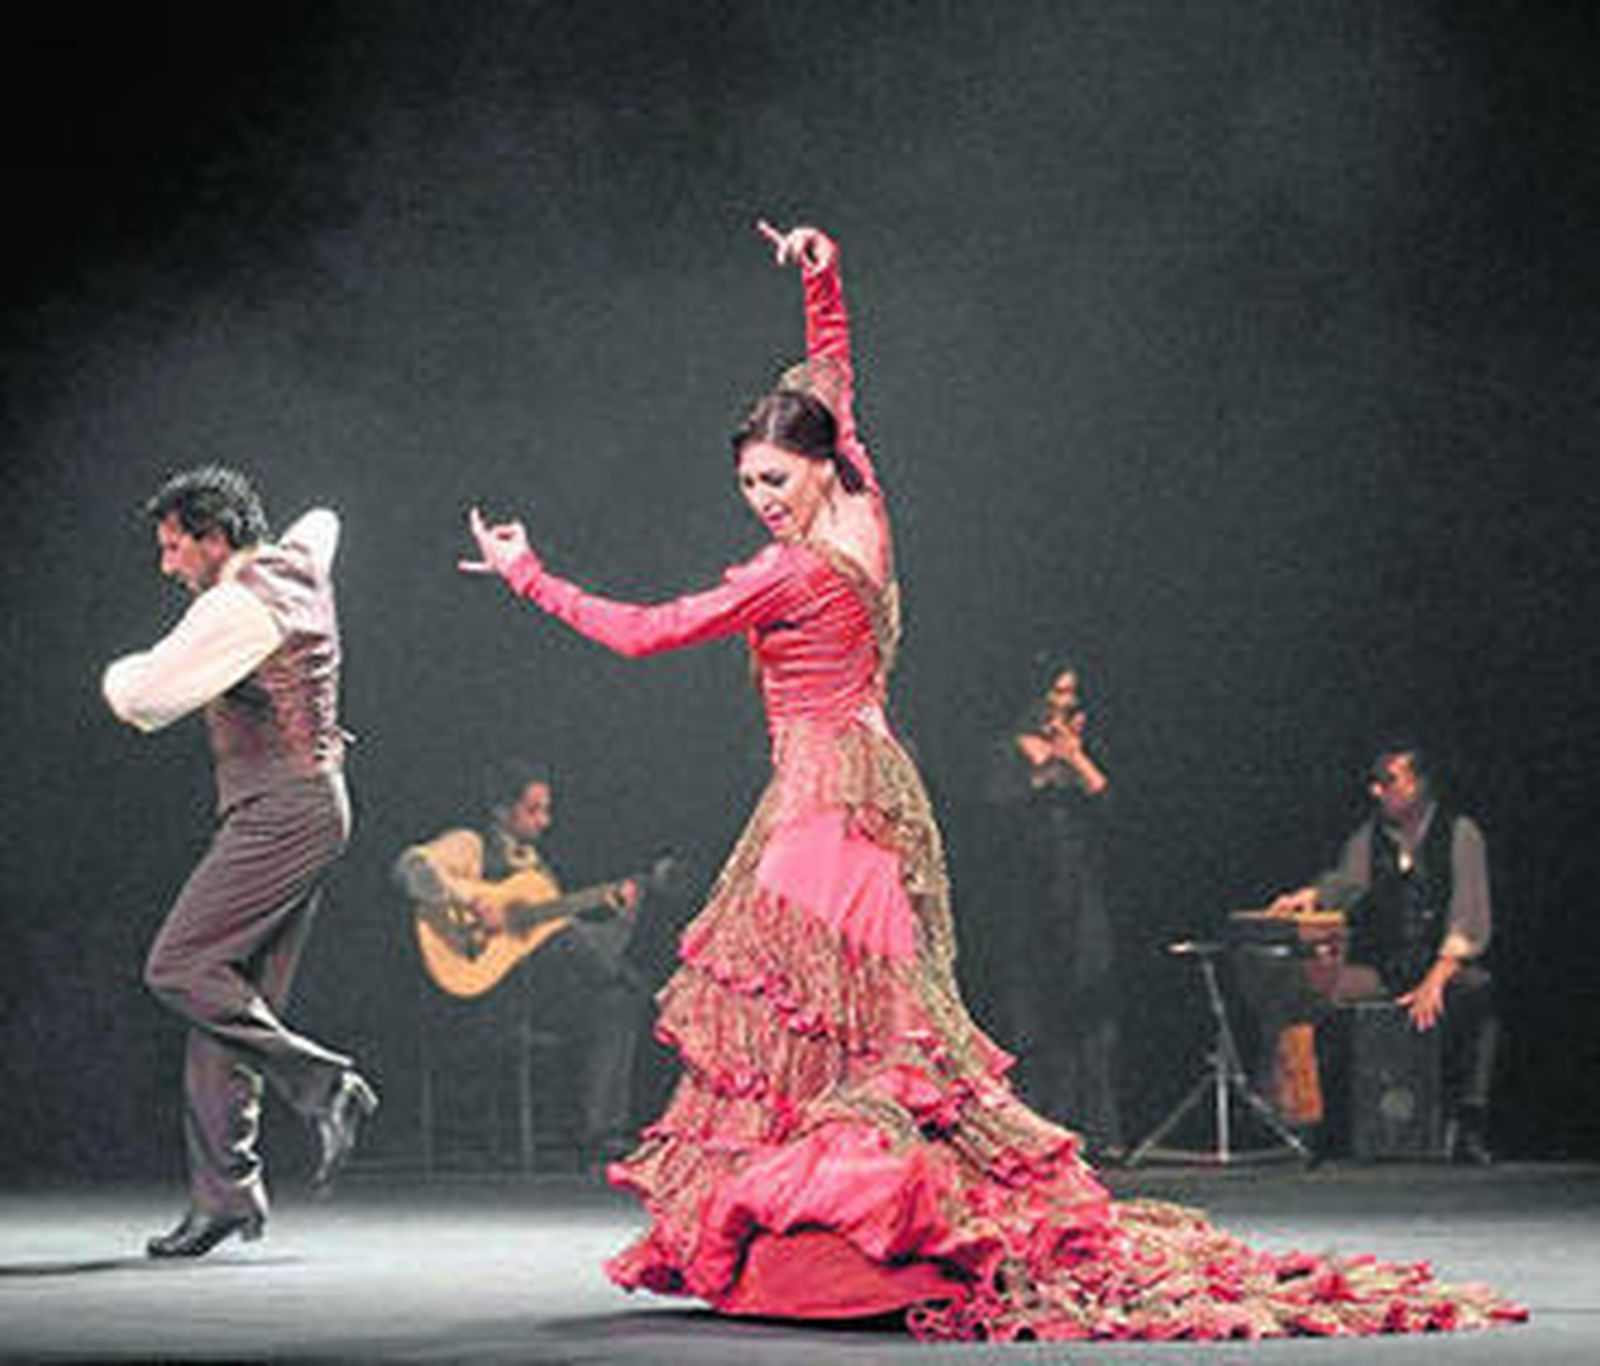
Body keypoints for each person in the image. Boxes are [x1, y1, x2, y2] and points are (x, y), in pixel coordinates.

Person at [459, 223, 1520, 1339]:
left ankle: (850, 1244)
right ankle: (822, 1234)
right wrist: (822, 273)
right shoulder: (864, 507)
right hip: (876, 787)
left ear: (816, 466)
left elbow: (644, 632)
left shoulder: (793, 575)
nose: (759, 499)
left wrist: (530, 578)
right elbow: (833, 376)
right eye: (746, 483)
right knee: (853, 1027)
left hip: (825, 796)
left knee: (817, 1025)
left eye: (773, 478)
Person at [102, 465, 376, 1259]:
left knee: (179, 966)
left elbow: (143, 700)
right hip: (309, 804)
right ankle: (224, 1194)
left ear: (215, 538)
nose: (166, 565)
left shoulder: (236, 603)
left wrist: (115, 673)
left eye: (173, 547)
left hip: (282, 809)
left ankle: (327, 1085)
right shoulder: (298, 560)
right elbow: (323, 514)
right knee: (227, 1002)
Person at [393, 761, 648, 1170]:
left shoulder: (536, 872)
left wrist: (621, 913)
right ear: (501, 810)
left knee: (616, 1002)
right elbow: (410, 868)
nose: (545, 820)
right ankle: (625, 972)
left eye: (546, 809)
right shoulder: (470, 845)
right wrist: (468, 900)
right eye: (534, 809)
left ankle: (602, 1136)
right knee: (596, 960)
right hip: (481, 998)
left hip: (536, 997)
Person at [1267, 746, 1499, 1163]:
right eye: (1375, 782)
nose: (1377, 791)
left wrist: (1434, 981)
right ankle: (1310, 1127)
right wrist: (1309, 896)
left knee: (1479, 994)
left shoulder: (1460, 833)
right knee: (1315, 993)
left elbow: (1469, 918)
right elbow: (1346, 882)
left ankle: (1468, 1123)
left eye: (1389, 780)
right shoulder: (1370, 836)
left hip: (1444, 965)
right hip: (1389, 966)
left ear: (1421, 783)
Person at [984, 663, 1121, 1156]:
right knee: (1032, 1015)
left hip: (1081, 896)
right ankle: (1040, 1126)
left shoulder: (1084, 749)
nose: (1064, 703)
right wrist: (1046, 769)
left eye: (1070, 693)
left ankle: (1100, 1131)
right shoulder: (1006, 752)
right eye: (1055, 692)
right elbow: (995, 815)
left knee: (1090, 1010)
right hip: (1026, 898)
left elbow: (1115, 808)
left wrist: (1076, 759)